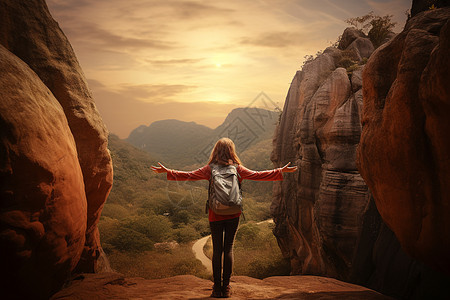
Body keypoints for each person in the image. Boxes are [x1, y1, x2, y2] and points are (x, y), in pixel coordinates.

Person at [151, 137, 297, 298]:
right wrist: (280, 171)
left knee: (217, 250)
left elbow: (190, 175)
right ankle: (226, 288)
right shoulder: (237, 168)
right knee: (228, 249)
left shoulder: (210, 168)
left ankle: (216, 288)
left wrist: (168, 172)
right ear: (231, 151)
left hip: (215, 213)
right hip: (233, 213)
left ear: (215, 151)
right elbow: (258, 175)